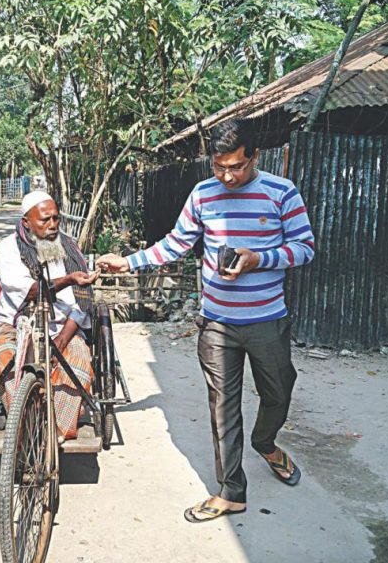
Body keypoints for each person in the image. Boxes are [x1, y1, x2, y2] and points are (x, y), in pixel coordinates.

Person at [97, 118, 315, 523]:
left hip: (268, 319)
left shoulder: (281, 192)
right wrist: (128, 262)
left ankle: (266, 442)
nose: (227, 176)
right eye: (219, 167)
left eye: (236, 166)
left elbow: (304, 249)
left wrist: (258, 260)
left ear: (255, 155)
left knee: (279, 392)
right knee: (222, 407)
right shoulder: (203, 194)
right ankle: (232, 490)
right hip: (216, 322)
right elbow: (176, 243)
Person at [0, 191, 99, 443]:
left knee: (77, 360)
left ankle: (57, 427)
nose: (53, 225)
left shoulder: (68, 246)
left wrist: (62, 341)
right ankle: (22, 420)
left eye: (56, 218)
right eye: (45, 220)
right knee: (5, 356)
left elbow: (82, 302)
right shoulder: (10, 247)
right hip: (15, 323)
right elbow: (30, 289)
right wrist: (67, 279)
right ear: (26, 222)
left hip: (62, 327)